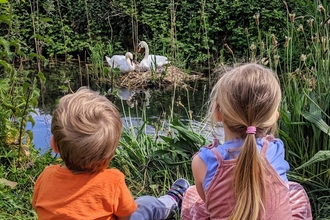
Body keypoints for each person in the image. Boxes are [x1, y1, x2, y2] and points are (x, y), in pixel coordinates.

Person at [32, 87, 190, 220]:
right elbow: (126, 216)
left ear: (54, 145)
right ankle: (173, 200)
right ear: (111, 155)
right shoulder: (112, 182)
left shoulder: (46, 177)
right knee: (145, 205)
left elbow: (38, 207)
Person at [181, 63, 312, 220]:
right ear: (273, 118)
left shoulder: (202, 161)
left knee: (191, 193)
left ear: (218, 113)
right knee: (296, 189)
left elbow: (206, 201)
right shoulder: (276, 150)